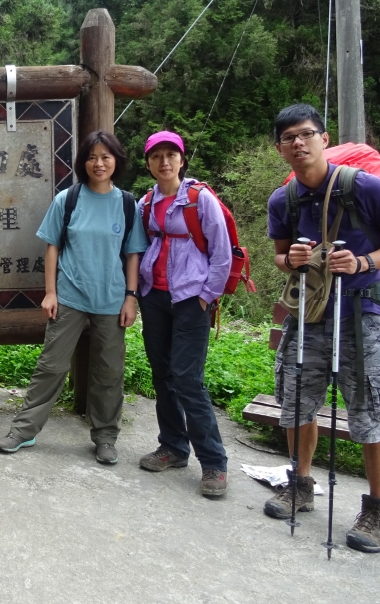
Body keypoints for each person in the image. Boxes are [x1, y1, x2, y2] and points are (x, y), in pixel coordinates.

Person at [265, 103, 380, 553]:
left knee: (370, 413)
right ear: (280, 148)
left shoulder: (362, 187)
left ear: (324, 139)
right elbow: (279, 256)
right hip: (309, 315)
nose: (298, 142)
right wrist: (289, 258)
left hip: (360, 314)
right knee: (296, 402)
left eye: (306, 134)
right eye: (289, 137)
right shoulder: (284, 199)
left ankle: (377, 510)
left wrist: (364, 261)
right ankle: (302, 484)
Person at [0, 131, 147, 464]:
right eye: (92, 157)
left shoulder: (126, 204)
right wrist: (51, 292)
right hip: (69, 297)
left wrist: (130, 298)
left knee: (109, 373)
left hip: (110, 300)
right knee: (51, 366)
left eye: (106, 157)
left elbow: (133, 254)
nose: (99, 163)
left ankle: (106, 437)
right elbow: (53, 247)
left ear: (116, 162)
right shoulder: (68, 199)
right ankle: (24, 430)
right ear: (83, 162)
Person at [136, 131, 233, 497]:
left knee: (188, 379)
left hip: (192, 298)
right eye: (157, 156)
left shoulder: (199, 200)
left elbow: (221, 253)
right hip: (155, 297)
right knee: (162, 374)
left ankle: (214, 463)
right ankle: (174, 447)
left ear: (182, 159)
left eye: (171, 155)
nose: (164, 162)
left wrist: (207, 296)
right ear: (148, 163)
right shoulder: (145, 203)